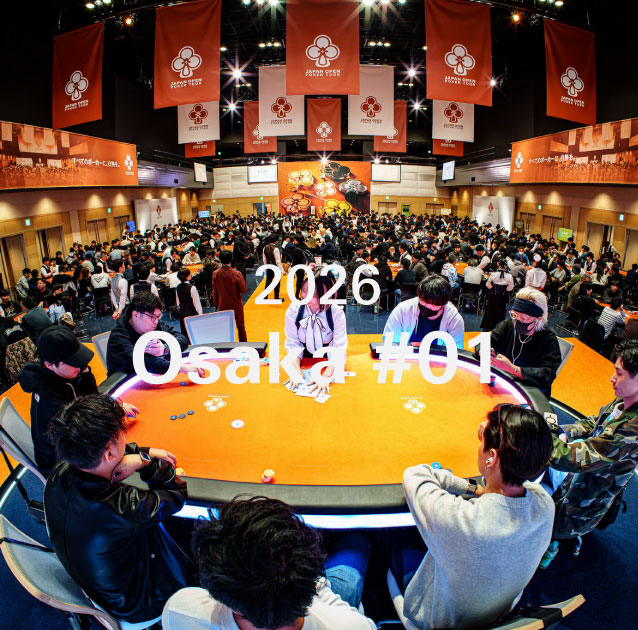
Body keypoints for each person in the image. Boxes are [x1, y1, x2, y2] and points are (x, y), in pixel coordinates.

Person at [391, 404, 554, 630]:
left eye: (482, 443)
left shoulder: (464, 520)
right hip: (497, 615)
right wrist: (485, 481)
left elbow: (414, 475)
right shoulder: (545, 505)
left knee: (394, 543)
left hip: (435, 623)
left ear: (491, 457)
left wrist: (468, 486)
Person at [45, 394, 194, 624]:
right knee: (190, 531)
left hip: (94, 582)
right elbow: (176, 495)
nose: (125, 436)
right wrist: (145, 461)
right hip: (136, 603)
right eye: (121, 434)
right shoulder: (121, 506)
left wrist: (133, 452)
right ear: (109, 454)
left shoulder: (61, 470)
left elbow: (107, 454)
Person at [162, 497, 375, 630]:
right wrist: (310, 581)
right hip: (319, 602)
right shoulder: (353, 626)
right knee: (356, 545)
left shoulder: (181, 611)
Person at [540, 340, 638, 567]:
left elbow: (572, 458)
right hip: (580, 475)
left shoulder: (632, 431)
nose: (612, 378)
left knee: (547, 516)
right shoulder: (623, 401)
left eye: (619, 373)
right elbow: (594, 424)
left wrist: (548, 437)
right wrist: (562, 431)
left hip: (585, 493)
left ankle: (550, 543)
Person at [19, 325, 137, 476]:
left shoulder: (61, 375)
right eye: (73, 361)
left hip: (77, 446)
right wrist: (114, 412)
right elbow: (84, 431)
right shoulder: (49, 398)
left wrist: (85, 374)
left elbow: (90, 398)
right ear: (49, 364)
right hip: (65, 465)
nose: (80, 364)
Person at [284, 266, 348, 396]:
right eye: (304, 291)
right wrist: (296, 371)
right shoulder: (295, 310)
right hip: (302, 360)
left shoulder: (336, 313)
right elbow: (292, 343)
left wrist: (326, 375)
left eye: (313, 295)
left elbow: (339, 347)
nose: (306, 297)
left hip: (328, 361)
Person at [486, 287, 562, 397]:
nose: (517, 321)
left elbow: (547, 376)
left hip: (529, 393)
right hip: (503, 384)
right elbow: (485, 342)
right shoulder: (507, 325)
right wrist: (486, 351)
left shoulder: (548, 340)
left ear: (538, 319)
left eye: (524, 318)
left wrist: (514, 369)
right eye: (514, 315)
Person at [106, 292, 202, 377]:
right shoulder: (118, 337)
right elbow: (142, 362)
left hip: (150, 376)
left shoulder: (155, 324)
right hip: (123, 381)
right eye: (152, 317)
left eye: (158, 317)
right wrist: (178, 367)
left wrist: (165, 348)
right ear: (135, 314)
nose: (155, 322)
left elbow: (182, 339)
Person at [383, 275, 465, 349]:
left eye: (434, 304)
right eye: (425, 301)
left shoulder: (454, 320)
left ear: (444, 304)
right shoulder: (403, 310)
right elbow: (390, 343)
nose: (428, 306)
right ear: (419, 295)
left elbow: (455, 351)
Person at [212, 250, 248, 342]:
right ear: (231, 259)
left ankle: (228, 346)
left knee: (226, 328)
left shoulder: (215, 273)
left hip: (223, 305)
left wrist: (216, 305)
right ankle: (244, 346)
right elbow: (243, 290)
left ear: (220, 259)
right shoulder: (237, 273)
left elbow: (214, 291)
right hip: (236, 305)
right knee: (240, 327)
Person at [481, 258, 514, 332]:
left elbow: (488, 285)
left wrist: (492, 287)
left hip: (493, 296)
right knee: (500, 312)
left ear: (498, 265)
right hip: (502, 297)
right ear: (506, 266)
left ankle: (487, 327)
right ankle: (499, 328)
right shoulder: (509, 276)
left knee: (490, 311)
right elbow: (510, 289)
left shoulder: (493, 274)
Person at [176, 267, 203, 337]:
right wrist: (200, 314)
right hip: (192, 313)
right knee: (194, 334)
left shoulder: (178, 287)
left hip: (182, 313)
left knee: (185, 333)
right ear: (187, 276)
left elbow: (178, 302)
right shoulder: (192, 288)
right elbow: (196, 303)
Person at [262, 234, 285, 301]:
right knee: (277, 282)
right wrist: (282, 270)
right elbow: (278, 261)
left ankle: (265, 296)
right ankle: (276, 297)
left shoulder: (265, 247)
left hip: (269, 266)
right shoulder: (276, 249)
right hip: (275, 267)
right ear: (276, 241)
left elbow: (264, 259)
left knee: (268, 281)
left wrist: (266, 266)